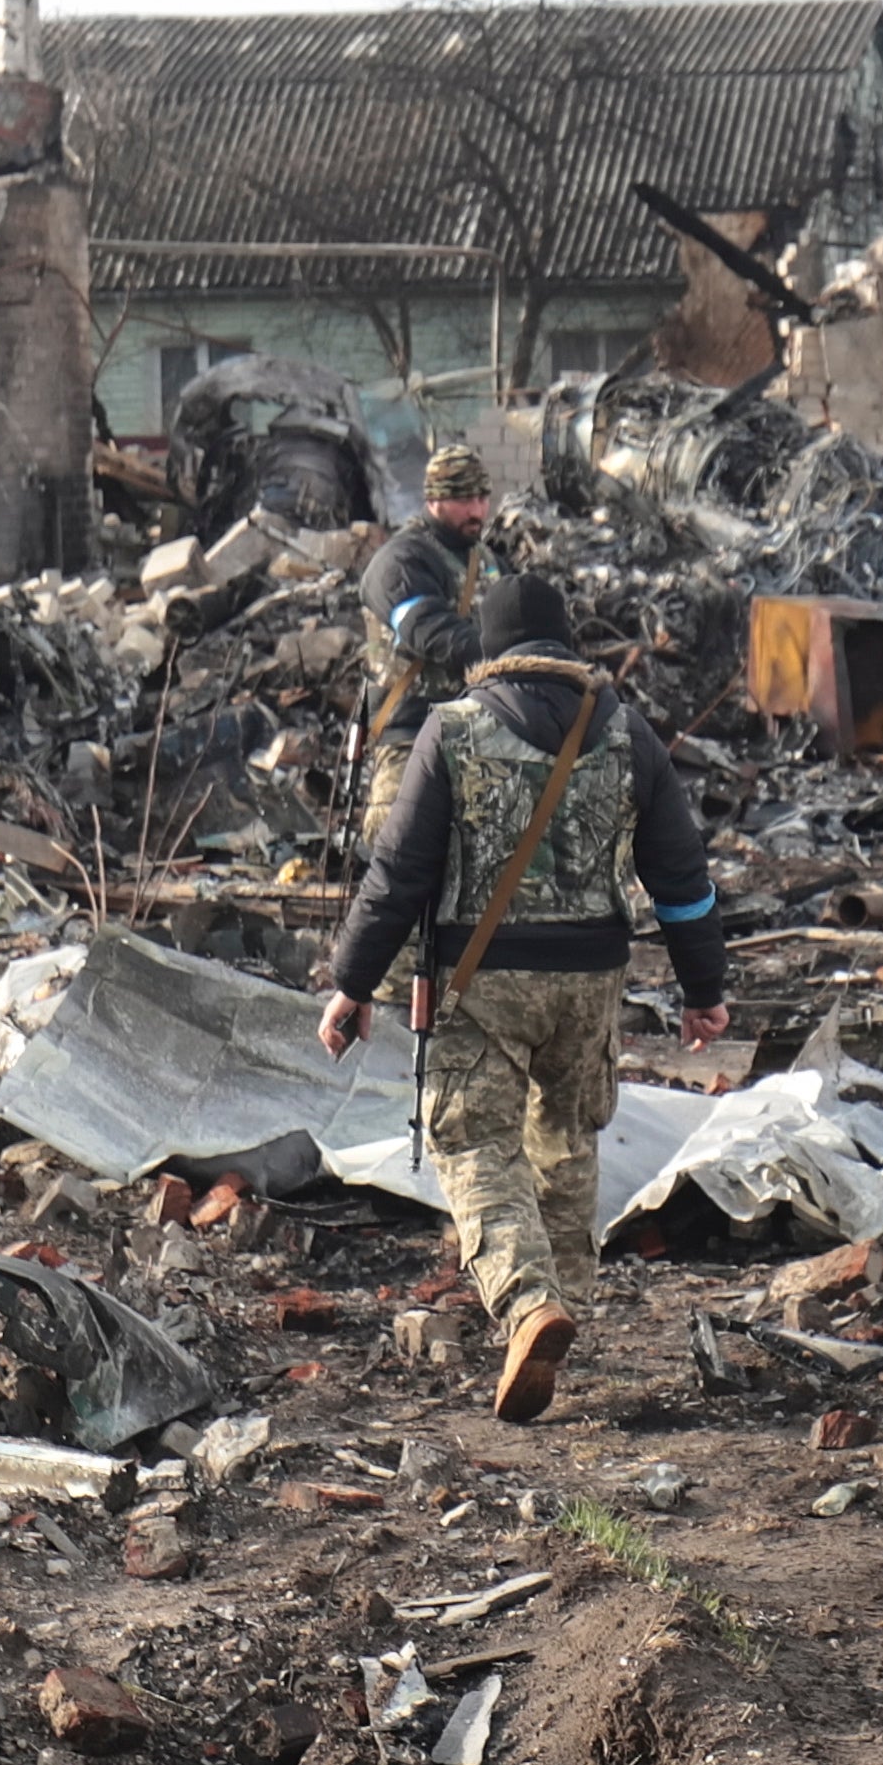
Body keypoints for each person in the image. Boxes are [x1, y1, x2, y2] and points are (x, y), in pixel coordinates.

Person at [315, 572, 731, 1422]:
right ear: (566, 645)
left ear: (491, 649)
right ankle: (563, 1311)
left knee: (471, 1139)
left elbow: (397, 877)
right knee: (567, 1134)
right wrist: (704, 989)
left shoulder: (452, 730)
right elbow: (683, 877)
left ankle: (526, 1299)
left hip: (482, 977)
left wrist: (353, 984)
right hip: (592, 981)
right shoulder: (625, 732)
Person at [353, 444, 502, 830]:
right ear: (435, 499)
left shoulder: (485, 560)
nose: (477, 511)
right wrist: (507, 661)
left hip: (474, 732)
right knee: (397, 850)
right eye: (464, 499)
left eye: (482, 498)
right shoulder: (400, 561)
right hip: (410, 733)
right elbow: (432, 632)